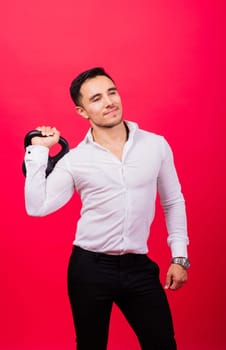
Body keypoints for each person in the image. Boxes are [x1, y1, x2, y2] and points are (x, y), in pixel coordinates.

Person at [24, 67, 190, 350]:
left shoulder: (156, 145)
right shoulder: (75, 160)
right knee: (91, 345)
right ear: (82, 111)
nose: (109, 102)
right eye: (97, 98)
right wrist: (39, 150)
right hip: (90, 267)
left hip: (139, 266)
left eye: (112, 92)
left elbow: (173, 201)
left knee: (162, 343)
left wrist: (180, 256)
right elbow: (37, 206)